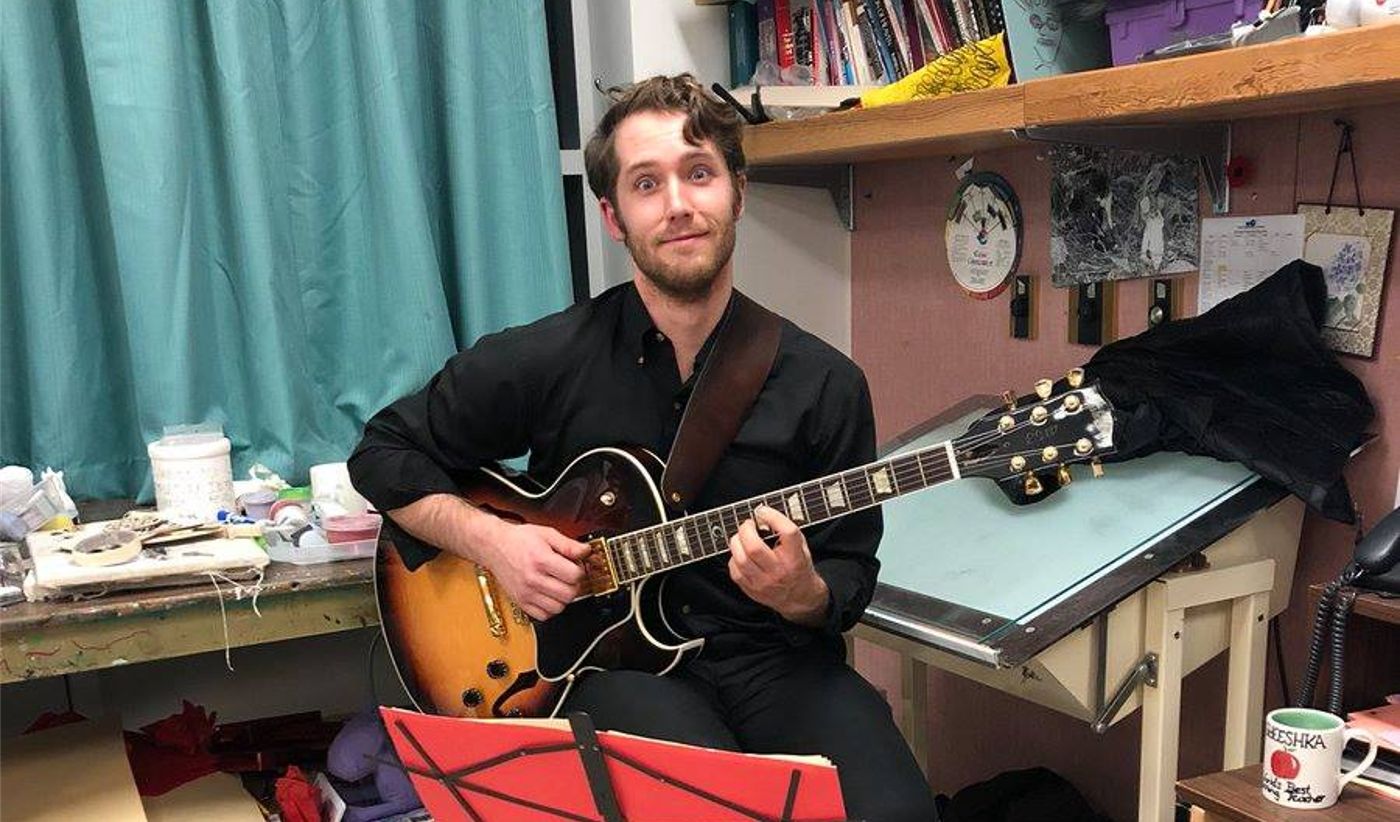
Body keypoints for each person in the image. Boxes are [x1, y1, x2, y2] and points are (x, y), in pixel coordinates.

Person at [348, 73, 937, 822]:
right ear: (613, 217)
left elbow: (848, 567)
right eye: (647, 184)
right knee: (714, 811)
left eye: (700, 174)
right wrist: (494, 541)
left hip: (774, 663)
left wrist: (804, 594)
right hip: (613, 668)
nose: (679, 205)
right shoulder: (550, 358)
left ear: (739, 193)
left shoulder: (826, 384)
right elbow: (383, 451)